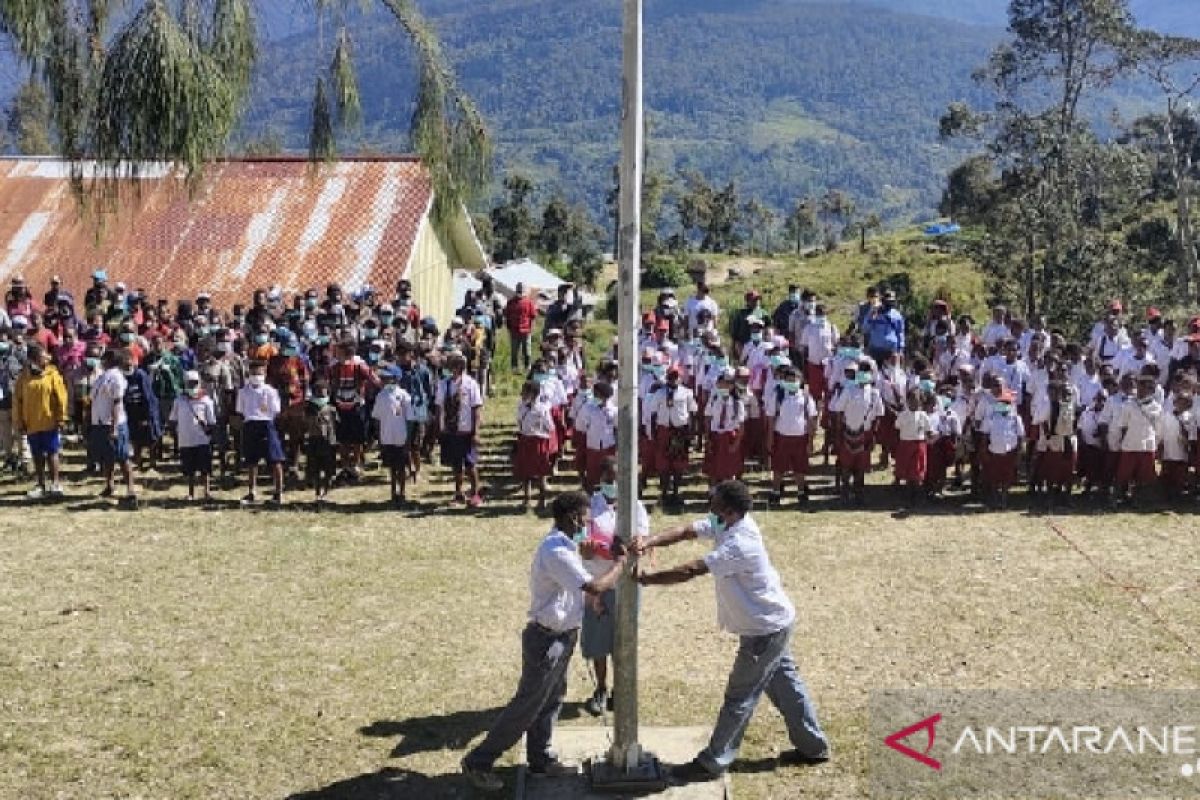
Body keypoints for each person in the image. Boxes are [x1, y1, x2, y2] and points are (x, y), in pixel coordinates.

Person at [634, 480, 829, 783]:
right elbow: (687, 531)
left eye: (713, 497)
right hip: (771, 625)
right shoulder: (725, 521)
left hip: (764, 631)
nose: (708, 498)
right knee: (787, 688)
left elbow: (690, 570)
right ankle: (814, 747)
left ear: (727, 508)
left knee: (740, 696)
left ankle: (714, 761)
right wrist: (649, 541)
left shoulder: (741, 542)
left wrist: (647, 580)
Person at [461, 491, 628, 793]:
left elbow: (572, 590)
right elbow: (593, 584)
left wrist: (591, 604)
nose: (587, 524)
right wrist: (619, 564)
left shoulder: (567, 546)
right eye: (585, 518)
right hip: (546, 640)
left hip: (562, 636)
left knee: (552, 700)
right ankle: (479, 761)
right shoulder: (556, 551)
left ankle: (540, 759)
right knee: (528, 704)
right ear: (573, 517)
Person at [580, 456, 649, 716]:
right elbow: (584, 548)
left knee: (624, 641)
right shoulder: (590, 508)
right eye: (609, 478)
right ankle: (600, 689)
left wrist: (628, 550)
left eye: (618, 479)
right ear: (601, 479)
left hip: (626, 586)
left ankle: (621, 691)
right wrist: (591, 551)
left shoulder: (636, 507)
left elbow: (639, 544)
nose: (613, 483)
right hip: (598, 585)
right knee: (598, 641)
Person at [13, 342, 68, 499]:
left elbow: (61, 398)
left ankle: (55, 483)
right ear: (33, 359)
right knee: (37, 455)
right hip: (31, 423)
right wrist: (19, 422)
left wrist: (61, 417)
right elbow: (17, 401)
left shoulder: (52, 375)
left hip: (49, 421)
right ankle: (40, 484)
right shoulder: (23, 378)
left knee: (52, 453)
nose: (47, 358)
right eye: (43, 356)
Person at [435, 352, 485, 506]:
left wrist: (475, 431)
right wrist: (439, 427)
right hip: (451, 430)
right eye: (452, 365)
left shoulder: (471, 384)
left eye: (457, 365)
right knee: (456, 465)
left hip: (466, 429)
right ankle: (458, 493)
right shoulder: (444, 384)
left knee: (470, 464)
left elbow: (476, 409)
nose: (455, 368)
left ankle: (475, 493)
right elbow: (439, 407)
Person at [90, 349, 138, 505]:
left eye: (104, 359)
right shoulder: (102, 377)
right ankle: (109, 485)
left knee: (122, 457)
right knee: (107, 457)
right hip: (100, 422)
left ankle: (130, 489)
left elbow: (117, 402)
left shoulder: (116, 377)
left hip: (113, 423)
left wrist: (115, 426)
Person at [764, 365, 817, 506]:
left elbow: (811, 419)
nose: (792, 382)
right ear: (784, 380)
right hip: (781, 436)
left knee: (800, 467)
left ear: (800, 380)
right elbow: (771, 417)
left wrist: (811, 440)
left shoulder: (806, 397)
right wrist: (770, 438)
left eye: (795, 379)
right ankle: (776, 492)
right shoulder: (778, 395)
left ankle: (801, 492)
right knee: (778, 467)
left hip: (800, 437)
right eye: (789, 379)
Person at [236, 360, 285, 506]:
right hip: (250, 425)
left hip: (266, 424)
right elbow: (241, 411)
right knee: (251, 461)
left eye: (260, 373)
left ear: (264, 373)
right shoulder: (243, 392)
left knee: (275, 460)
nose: (257, 375)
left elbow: (276, 410)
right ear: (249, 374)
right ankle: (251, 491)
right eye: (254, 373)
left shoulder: (270, 391)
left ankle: (278, 493)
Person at [169, 370, 216, 503]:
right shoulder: (179, 400)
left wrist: (210, 434)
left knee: (205, 469)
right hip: (186, 440)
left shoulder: (206, 400)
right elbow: (173, 419)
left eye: (194, 383)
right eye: (189, 383)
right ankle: (191, 493)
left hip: (202, 440)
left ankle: (207, 492)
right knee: (189, 470)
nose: (192, 385)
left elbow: (212, 422)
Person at [372, 366, 413, 508]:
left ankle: (402, 493)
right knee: (391, 467)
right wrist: (378, 437)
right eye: (383, 378)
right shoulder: (381, 396)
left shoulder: (404, 396)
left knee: (401, 467)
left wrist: (409, 438)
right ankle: (393, 493)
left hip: (401, 436)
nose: (384, 380)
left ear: (395, 379)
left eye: (387, 378)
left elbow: (409, 418)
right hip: (386, 437)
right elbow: (377, 418)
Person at [514, 379, 556, 512]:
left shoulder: (542, 409)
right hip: (525, 439)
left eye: (525, 392)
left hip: (538, 440)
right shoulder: (521, 406)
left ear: (533, 393)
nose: (523, 394)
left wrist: (540, 428)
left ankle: (541, 500)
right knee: (525, 472)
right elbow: (519, 421)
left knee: (541, 473)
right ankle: (527, 499)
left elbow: (550, 426)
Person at [894, 388, 932, 506]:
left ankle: (917, 496)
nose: (914, 402)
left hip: (919, 445)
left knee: (916, 472)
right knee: (907, 472)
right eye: (911, 400)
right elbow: (897, 426)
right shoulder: (903, 415)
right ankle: (908, 495)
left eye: (917, 400)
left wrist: (930, 436)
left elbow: (928, 430)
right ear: (907, 401)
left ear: (921, 401)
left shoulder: (923, 415)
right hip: (906, 444)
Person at [304, 378, 338, 507]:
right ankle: (317, 492)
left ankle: (326, 491)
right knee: (315, 468)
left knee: (329, 468)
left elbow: (336, 425)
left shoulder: (331, 409)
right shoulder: (309, 408)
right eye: (318, 392)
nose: (321, 395)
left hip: (329, 441)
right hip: (314, 440)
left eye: (323, 392)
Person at [505, 283, 538, 372]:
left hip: (526, 330)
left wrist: (531, 328)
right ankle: (514, 367)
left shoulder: (529, 302)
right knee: (514, 351)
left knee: (527, 351)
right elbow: (507, 316)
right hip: (514, 330)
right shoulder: (511, 302)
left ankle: (527, 367)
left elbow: (533, 316)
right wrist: (509, 328)